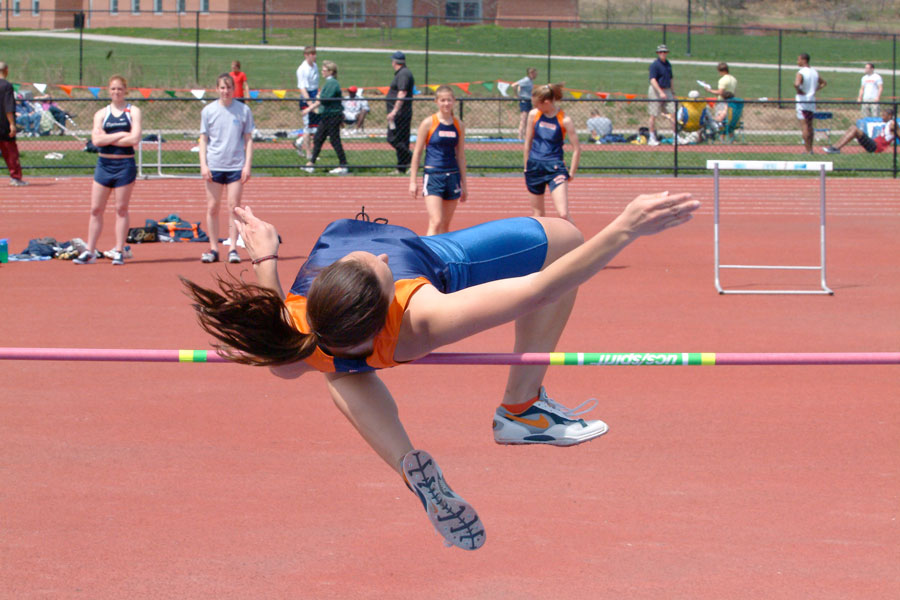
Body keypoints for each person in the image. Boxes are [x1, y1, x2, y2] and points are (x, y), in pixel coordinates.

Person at [182, 190, 700, 550]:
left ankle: (407, 461)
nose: (369, 254)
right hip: (434, 260)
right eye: (375, 268)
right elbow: (541, 288)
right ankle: (521, 407)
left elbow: (276, 326)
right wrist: (624, 228)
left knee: (339, 372)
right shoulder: (423, 318)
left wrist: (266, 258)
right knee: (563, 236)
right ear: (386, 304)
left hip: (337, 352)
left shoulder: (298, 332)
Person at [73, 75, 142, 266]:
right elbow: (96, 141)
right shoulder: (101, 114)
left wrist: (109, 137)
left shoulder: (133, 111)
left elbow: (135, 138)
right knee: (96, 209)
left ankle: (119, 250)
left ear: (125, 90)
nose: (116, 92)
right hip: (104, 165)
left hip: (124, 166)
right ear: (108, 91)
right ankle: (90, 251)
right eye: (113, 89)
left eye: (119, 89)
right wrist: (121, 134)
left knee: (121, 209)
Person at [198, 73, 254, 264]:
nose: (226, 91)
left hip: (235, 166)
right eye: (222, 87)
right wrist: (203, 164)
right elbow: (203, 139)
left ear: (234, 89)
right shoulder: (208, 111)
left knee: (233, 207)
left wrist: (247, 164)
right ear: (217, 89)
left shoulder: (243, 110)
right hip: (214, 165)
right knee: (212, 207)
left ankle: (232, 248)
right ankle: (214, 248)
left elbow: (248, 139)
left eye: (229, 87)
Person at [408, 85, 468, 235]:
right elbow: (417, 153)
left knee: (445, 226)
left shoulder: (458, 124)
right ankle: (427, 256)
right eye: (442, 100)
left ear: (454, 101)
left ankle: (442, 257)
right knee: (436, 221)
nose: (446, 103)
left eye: (449, 100)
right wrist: (413, 181)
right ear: (436, 102)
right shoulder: (429, 123)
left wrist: (464, 184)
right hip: (434, 175)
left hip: (452, 175)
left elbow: (460, 155)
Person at [523, 83, 580, 222]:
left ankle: (577, 242)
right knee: (538, 215)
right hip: (535, 167)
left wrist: (572, 172)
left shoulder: (564, 120)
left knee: (563, 214)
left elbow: (577, 148)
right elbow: (528, 141)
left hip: (555, 168)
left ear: (547, 102)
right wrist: (526, 166)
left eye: (538, 104)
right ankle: (545, 243)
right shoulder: (534, 115)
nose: (536, 107)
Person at [302, 60, 349, 176]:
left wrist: (309, 109)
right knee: (318, 138)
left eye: (324, 70)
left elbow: (322, 99)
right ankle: (311, 163)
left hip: (332, 116)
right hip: (327, 116)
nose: (322, 72)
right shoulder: (328, 83)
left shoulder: (332, 83)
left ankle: (343, 165)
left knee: (334, 140)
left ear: (330, 72)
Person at [386, 51, 415, 174]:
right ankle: (402, 167)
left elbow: (402, 93)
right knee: (402, 140)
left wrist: (394, 111)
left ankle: (413, 160)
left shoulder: (403, 74)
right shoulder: (402, 73)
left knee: (392, 138)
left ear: (394, 62)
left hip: (400, 113)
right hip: (399, 113)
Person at [824, 106, 895, 154]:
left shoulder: (892, 124)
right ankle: (835, 147)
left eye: (884, 115)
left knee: (855, 129)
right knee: (852, 127)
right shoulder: (888, 123)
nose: (882, 117)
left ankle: (836, 148)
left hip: (876, 147)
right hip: (873, 143)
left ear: (890, 116)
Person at [794, 53, 826, 155]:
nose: (797, 62)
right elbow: (823, 83)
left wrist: (799, 90)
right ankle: (810, 149)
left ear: (804, 60)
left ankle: (807, 150)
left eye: (798, 60)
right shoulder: (814, 72)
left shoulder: (801, 72)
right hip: (811, 101)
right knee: (810, 125)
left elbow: (796, 84)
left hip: (802, 101)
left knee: (804, 125)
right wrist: (814, 90)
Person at [0, 61, 26, 186]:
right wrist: (12, 124)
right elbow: (8, 107)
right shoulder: (7, 86)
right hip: (4, 124)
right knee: (10, 152)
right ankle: (15, 177)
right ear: (6, 70)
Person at [647, 44, 675, 146]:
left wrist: (673, 92)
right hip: (656, 90)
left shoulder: (668, 64)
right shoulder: (654, 65)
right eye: (660, 52)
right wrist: (660, 92)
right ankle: (651, 137)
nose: (663, 54)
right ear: (658, 53)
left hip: (667, 89)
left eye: (664, 52)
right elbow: (653, 80)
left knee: (673, 113)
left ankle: (675, 136)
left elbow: (671, 78)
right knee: (653, 114)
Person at [295, 46, 319, 162]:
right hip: (307, 97)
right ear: (306, 55)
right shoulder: (302, 69)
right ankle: (309, 154)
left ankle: (299, 142)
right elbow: (302, 88)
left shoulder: (315, 66)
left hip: (314, 95)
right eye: (311, 54)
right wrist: (310, 103)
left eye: (315, 54)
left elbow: (316, 83)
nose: (314, 56)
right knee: (308, 128)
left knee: (316, 127)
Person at [512, 67, 537, 140]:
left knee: (528, 120)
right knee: (523, 119)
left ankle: (526, 136)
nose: (536, 75)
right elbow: (514, 85)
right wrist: (516, 95)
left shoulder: (530, 81)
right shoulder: (526, 80)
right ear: (531, 73)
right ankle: (520, 137)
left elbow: (520, 87)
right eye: (534, 73)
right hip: (524, 101)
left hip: (529, 101)